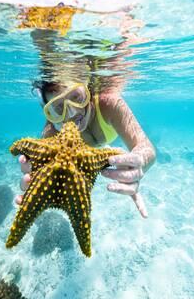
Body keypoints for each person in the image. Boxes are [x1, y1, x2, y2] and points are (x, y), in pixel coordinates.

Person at [15, 81, 156, 218]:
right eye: (58, 107)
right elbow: (41, 175)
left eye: (76, 97)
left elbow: (145, 147)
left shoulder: (108, 103)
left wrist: (139, 160)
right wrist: (39, 186)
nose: (71, 113)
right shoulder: (51, 135)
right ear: (50, 113)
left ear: (87, 91)